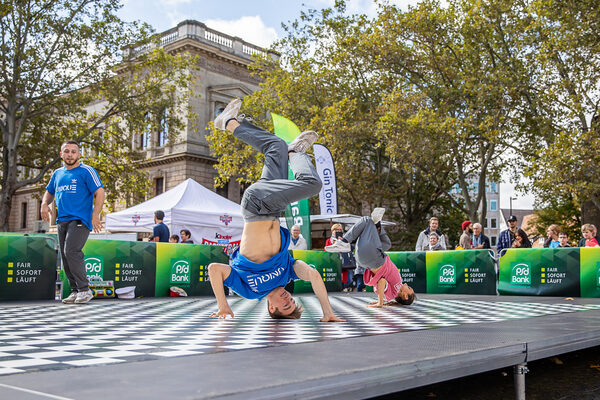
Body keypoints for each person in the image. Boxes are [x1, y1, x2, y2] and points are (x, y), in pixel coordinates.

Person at [207, 98, 343, 322]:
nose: (288, 298)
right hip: (274, 207)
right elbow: (313, 275)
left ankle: (296, 154)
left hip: (257, 207)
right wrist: (327, 311)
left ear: (272, 308)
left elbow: (215, 269)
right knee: (275, 147)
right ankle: (230, 123)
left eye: (285, 304)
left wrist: (223, 305)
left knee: (313, 184)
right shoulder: (286, 273)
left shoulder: (250, 291)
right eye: (292, 301)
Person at [40, 140, 105, 304]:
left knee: (71, 251)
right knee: (65, 255)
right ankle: (76, 291)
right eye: (66, 151)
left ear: (79, 154)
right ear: (61, 154)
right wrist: (43, 204)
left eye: (73, 151)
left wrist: (95, 215)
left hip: (80, 219)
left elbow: (100, 192)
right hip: (62, 220)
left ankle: (84, 290)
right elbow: (49, 192)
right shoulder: (57, 173)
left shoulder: (86, 171)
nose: (70, 154)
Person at [326, 208, 416, 308]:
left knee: (367, 220)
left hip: (374, 259)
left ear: (405, 296)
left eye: (409, 287)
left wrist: (380, 302)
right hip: (371, 258)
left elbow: (381, 281)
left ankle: (344, 242)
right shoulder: (392, 292)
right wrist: (380, 299)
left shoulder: (393, 294)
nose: (407, 283)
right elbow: (382, 287)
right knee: (387, 243)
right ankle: (377, 224)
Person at [325, 223, 355, 291]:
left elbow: (350, 248)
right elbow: (326, 251)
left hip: (344, 263)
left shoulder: (345, 239)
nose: (338, 231)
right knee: (336, 280)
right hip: (333, 263)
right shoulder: (328, 241)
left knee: (348, 280)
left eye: (340, 230)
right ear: (332, 231)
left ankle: (344, 288)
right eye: (336, 229)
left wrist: (342, 242)